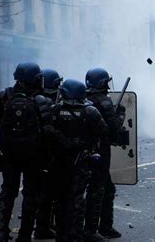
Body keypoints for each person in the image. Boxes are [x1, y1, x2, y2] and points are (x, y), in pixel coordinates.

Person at [0, 62, 52, 242]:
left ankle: (0, 235)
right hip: (34, 156)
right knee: (31, 195)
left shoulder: (1, 97)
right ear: (35, 79)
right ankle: (24, 237)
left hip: (9, 155)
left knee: (7, 192)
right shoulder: (42, 100)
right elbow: (48, 130)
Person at [51, 79, 108, 241]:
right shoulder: (90, 111)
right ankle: (74, 234)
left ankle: (61, 234)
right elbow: (104, 131)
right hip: (81, 161)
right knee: (76, 198)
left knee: (60, 198)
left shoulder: (55, 110)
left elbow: (47, 132)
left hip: (60, 161)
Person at [85, 68, 125, 239]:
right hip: (100, 151)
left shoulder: (81, 99)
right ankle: (92, 231)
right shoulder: (105, 102)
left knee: (104, 188)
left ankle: (104, 227)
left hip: (82, 150)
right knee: (98, 189)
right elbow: (113, 130)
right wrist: (120, 114)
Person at [34, 69, 63, 239]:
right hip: (47, 154)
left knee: (38, 193)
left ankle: (43, 225)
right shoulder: (47, 104)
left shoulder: (33, 100)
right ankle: (43, 227)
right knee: (48, 193)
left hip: (34, 154)